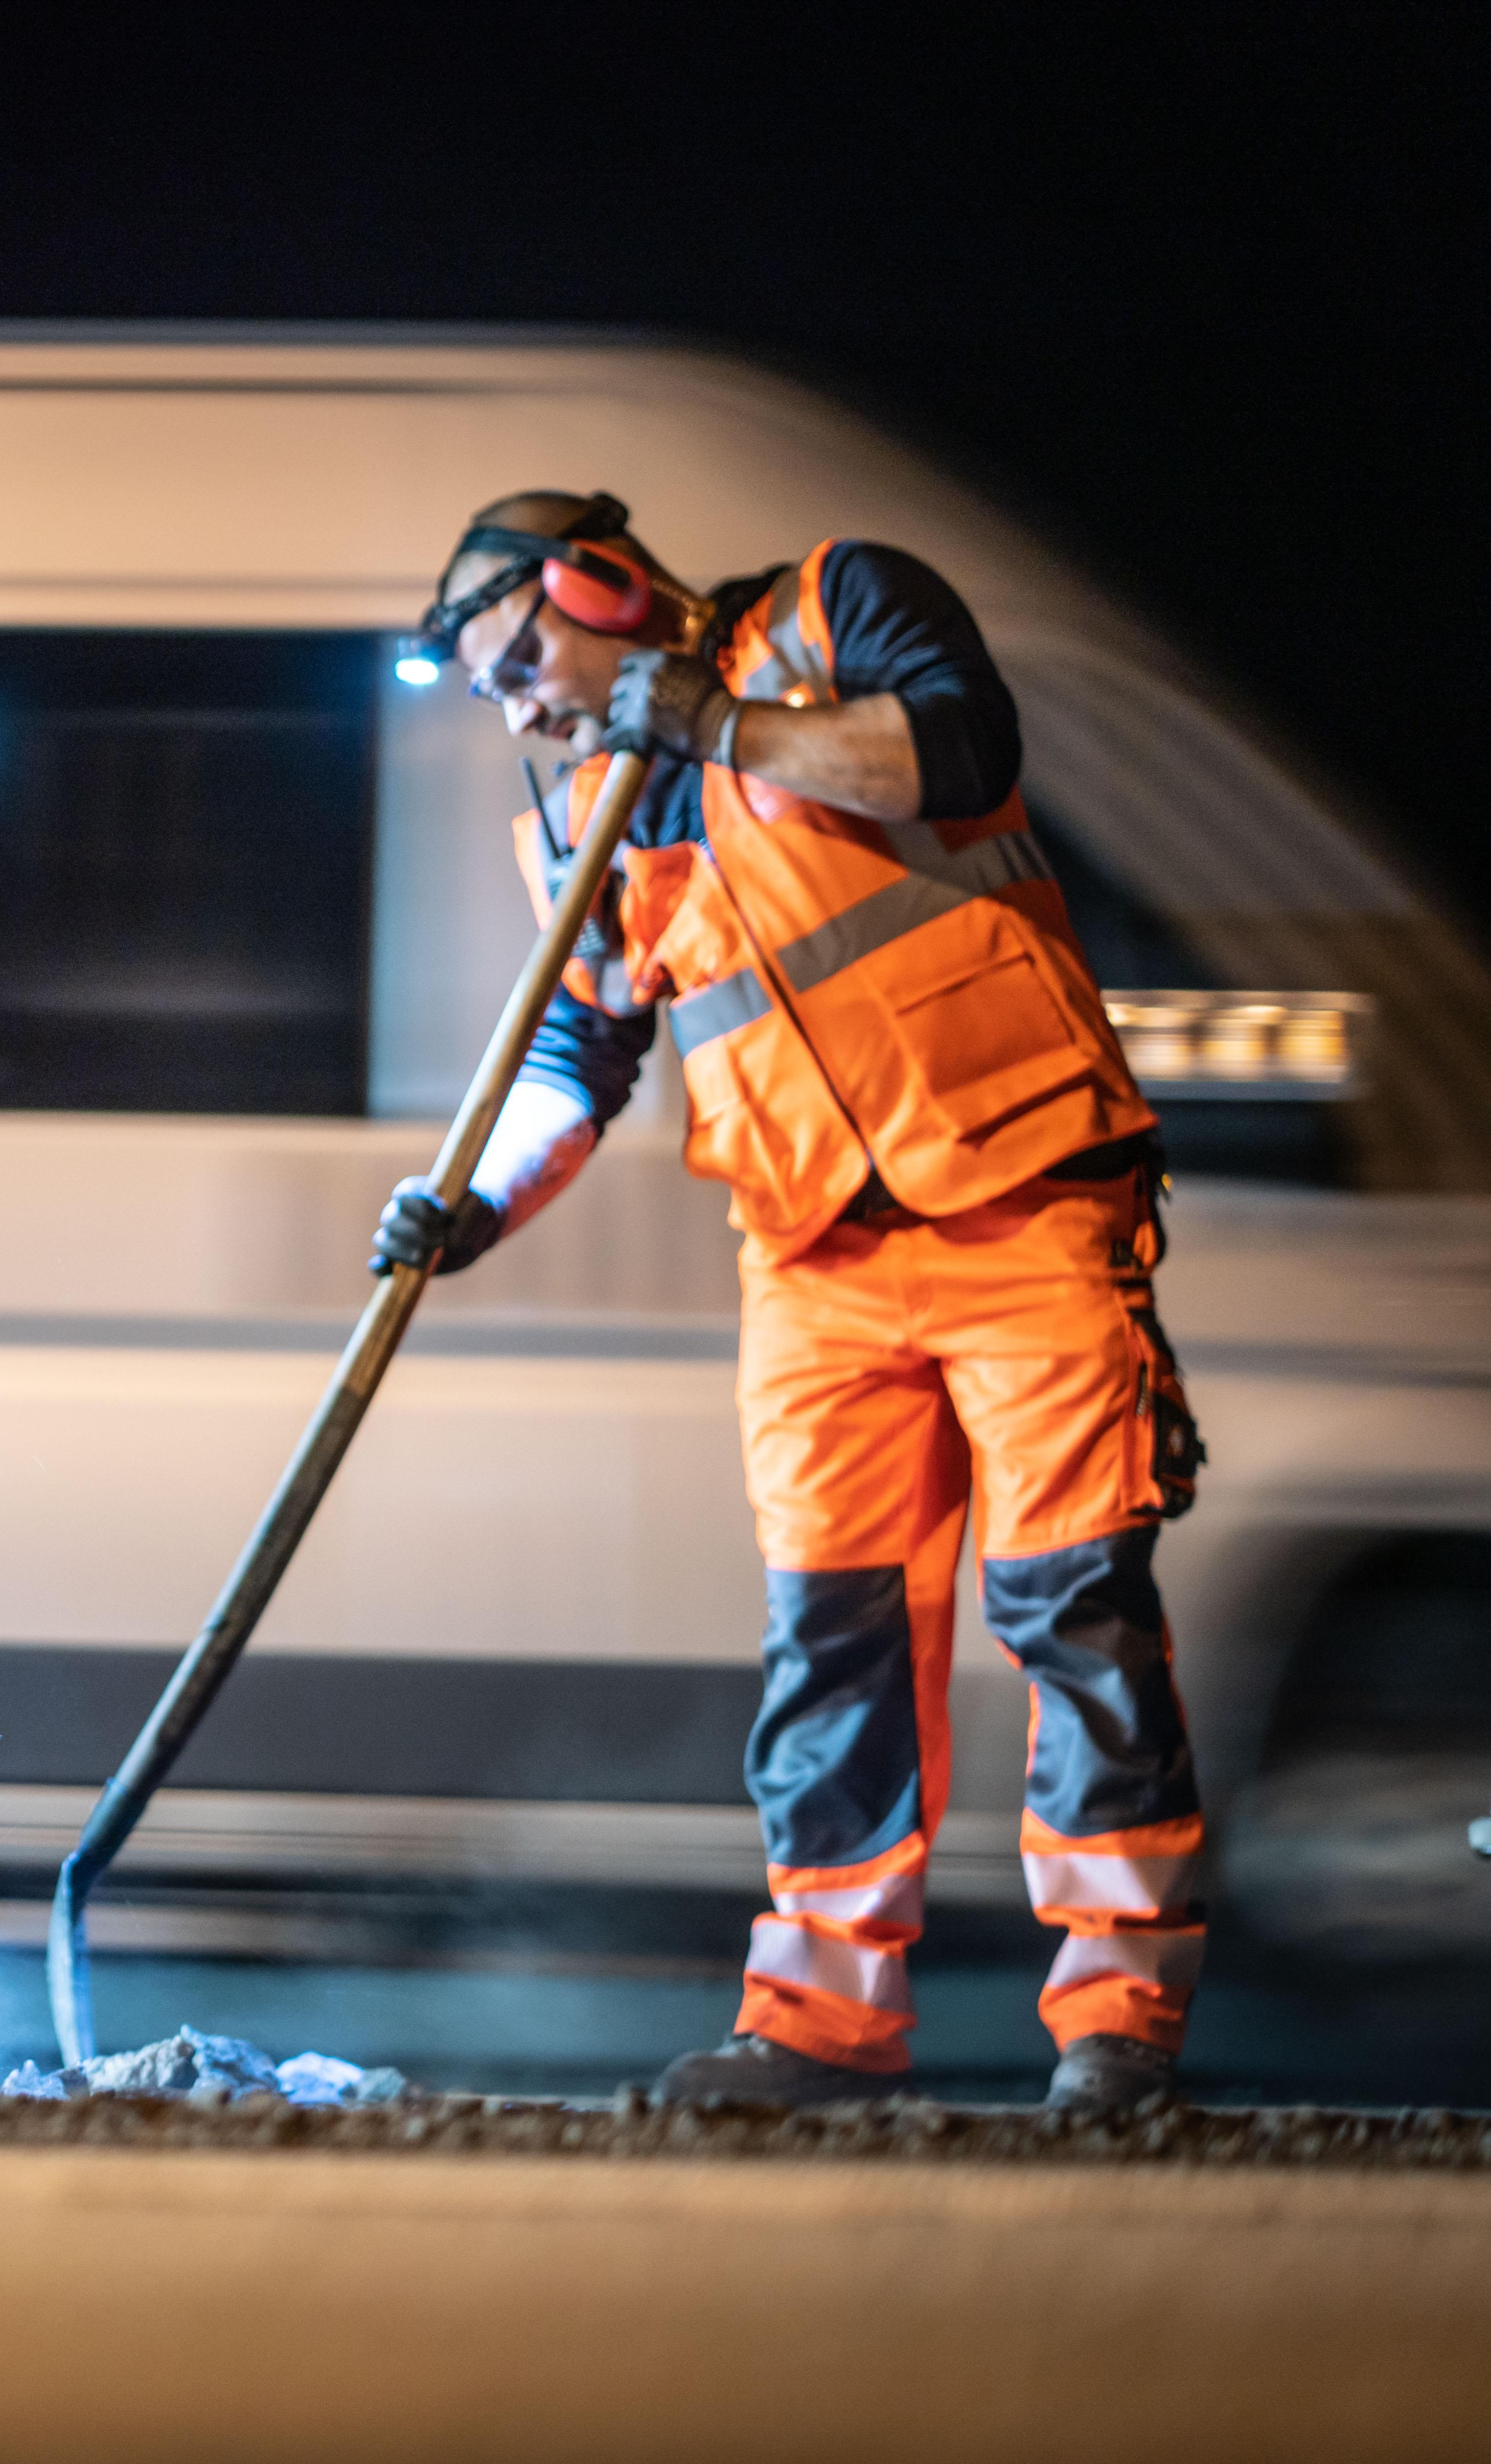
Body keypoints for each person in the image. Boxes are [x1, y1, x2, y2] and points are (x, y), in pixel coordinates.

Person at [389, 493, 1204, 2115]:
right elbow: (577, 1057)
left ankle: (1115, 2024)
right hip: (812, 1261)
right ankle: (820, 2022)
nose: (522, 708)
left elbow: (959, 755)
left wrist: (720, 725)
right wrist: (478, 1200)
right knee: (831, 1647)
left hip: (1026, 1193)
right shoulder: (582, 823)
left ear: (600, 584)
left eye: (522, 660)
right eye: (492, 695)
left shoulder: (834, 615)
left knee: (1074, 1612)